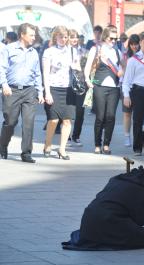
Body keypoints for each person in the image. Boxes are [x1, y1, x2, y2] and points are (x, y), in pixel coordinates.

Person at [68, 166, 144, 250]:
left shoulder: (117, 179)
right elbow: (140, 221)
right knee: (143, 234)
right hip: (107, 220)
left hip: (87, 223)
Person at [0, 23, 44, 163]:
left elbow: (37, 74)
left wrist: (40, 92)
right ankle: (2, 145)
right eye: (31, 35)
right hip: (11, 90)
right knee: (10, 122)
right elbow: (1, 68)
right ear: (22, 35)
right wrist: (4, 85)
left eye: (34, 34)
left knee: (28, 122)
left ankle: (26, 153)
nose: (33, 37)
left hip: (29, 91)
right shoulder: (9, 49)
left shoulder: (34, 52)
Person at [84, 25, 123, 154]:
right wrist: (87, 80)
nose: (113, 41)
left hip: (114, 88)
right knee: (100, 116)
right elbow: (88, 66)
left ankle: (106, 144)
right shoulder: (96, 49)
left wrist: (122, 72)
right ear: (105, 37)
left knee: (111, 116)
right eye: (111, 38)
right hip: (99, 86)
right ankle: (97, 144)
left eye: (115, 39)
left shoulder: (118, 52)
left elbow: (124, 68)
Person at [42, 26, 76, 160]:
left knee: (67, 121)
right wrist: (47, 92)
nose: (63, 39)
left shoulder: (72, 51)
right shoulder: (49, 51)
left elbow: (76, 66)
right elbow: (45, 73)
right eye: (61, 36)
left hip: (68, 89)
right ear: (55, 37)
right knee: (53, 120)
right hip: (54, 88)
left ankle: (62, 149)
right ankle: (48, 144)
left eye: (66, 36)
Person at [121, 34, 140, 147]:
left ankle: (137, 137)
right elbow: (121, 72)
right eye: (132, 44)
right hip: (127, 86)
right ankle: (127, 136)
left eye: (136, 44)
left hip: (138, 88)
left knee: (138, 115)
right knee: (127, 113)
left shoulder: (143, 56)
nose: (134, 46)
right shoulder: (125, 56)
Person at [69, 29, 88, 147]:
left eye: (76, 37)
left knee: (80, 112)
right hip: (67, 84)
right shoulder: (64, 52)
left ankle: (76, 136)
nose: (74, 39)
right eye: (72, 37)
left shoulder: (85, 52)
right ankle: (67, 135)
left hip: (81, 84)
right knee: (68, 113)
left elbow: (90, 67)